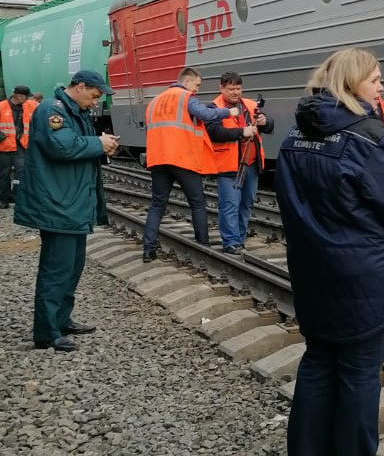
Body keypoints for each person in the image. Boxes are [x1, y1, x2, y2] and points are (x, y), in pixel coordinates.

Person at [274, 48, 384, 456]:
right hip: (363, 273)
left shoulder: (293, 140)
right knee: (360, 374)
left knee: (318, 364)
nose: (381, 88)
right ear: (352, 83)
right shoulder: (369, 139)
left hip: (313, 270)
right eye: (376, 79)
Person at [14, 71, 119, 352]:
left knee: (72, 267)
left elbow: (77, 146)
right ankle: (46, 332)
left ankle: (60, 320)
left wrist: (102, 145)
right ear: (80, 86)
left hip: (72, 204)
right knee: (56, 270)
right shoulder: (53, 110)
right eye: (94, 96)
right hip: (57, 204)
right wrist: (98, 143)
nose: (95, 102)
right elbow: (62, 147)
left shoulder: (75, 111)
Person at [142, 67, 239, 262]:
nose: (197, 90)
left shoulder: (154, 102)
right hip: (181, 158)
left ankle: (148, 249)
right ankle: (203, 246)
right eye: (196, 85)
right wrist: (228, 112)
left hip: (158, 159)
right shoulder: (185, 97)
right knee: (197, 202)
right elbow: (206, 115)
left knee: (157, 205)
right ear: (187, 82)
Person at [205, 72, 275, 254]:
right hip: (229, 165)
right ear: (222, 88)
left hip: (251, 163)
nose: (235, 92)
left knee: (247, 202)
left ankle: (240, 239)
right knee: (230, 204)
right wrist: (241, 132)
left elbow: (269, 126)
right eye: (231, 89)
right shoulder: (214, 107)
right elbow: (213, 132)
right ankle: (231, 242)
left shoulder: (250, 105)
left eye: (238, 88)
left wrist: (265, 121)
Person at [0, 85, 38, 208]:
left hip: (21, 145)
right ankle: (3, 199)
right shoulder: (2, 106)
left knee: (20, 172)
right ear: (18, 96)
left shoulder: (30, 105)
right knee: (3, 174)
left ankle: (16, 196)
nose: (27, 99)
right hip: (4, 146)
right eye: (25, 97)